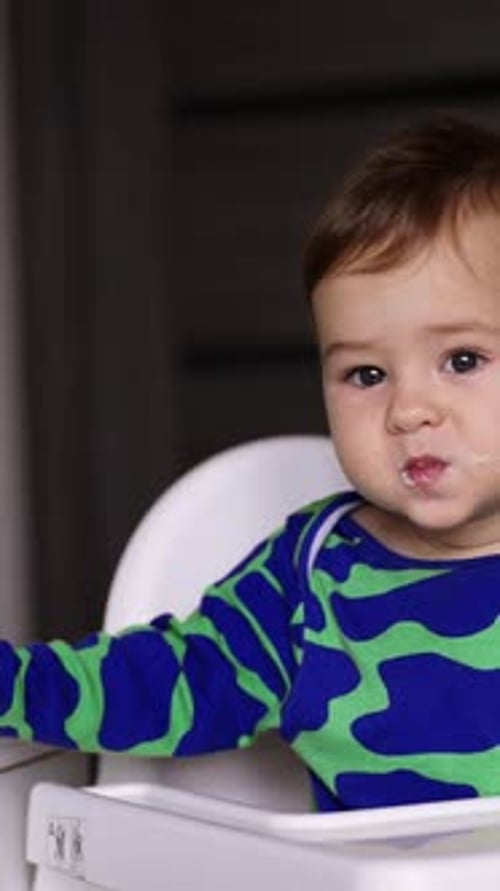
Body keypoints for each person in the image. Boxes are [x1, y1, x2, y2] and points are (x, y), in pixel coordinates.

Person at [3, 115, 500, 812]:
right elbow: (173, 680)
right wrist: (12, 684)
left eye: (463, 360)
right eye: (364, 374)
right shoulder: (309, 575)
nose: (408, 410)